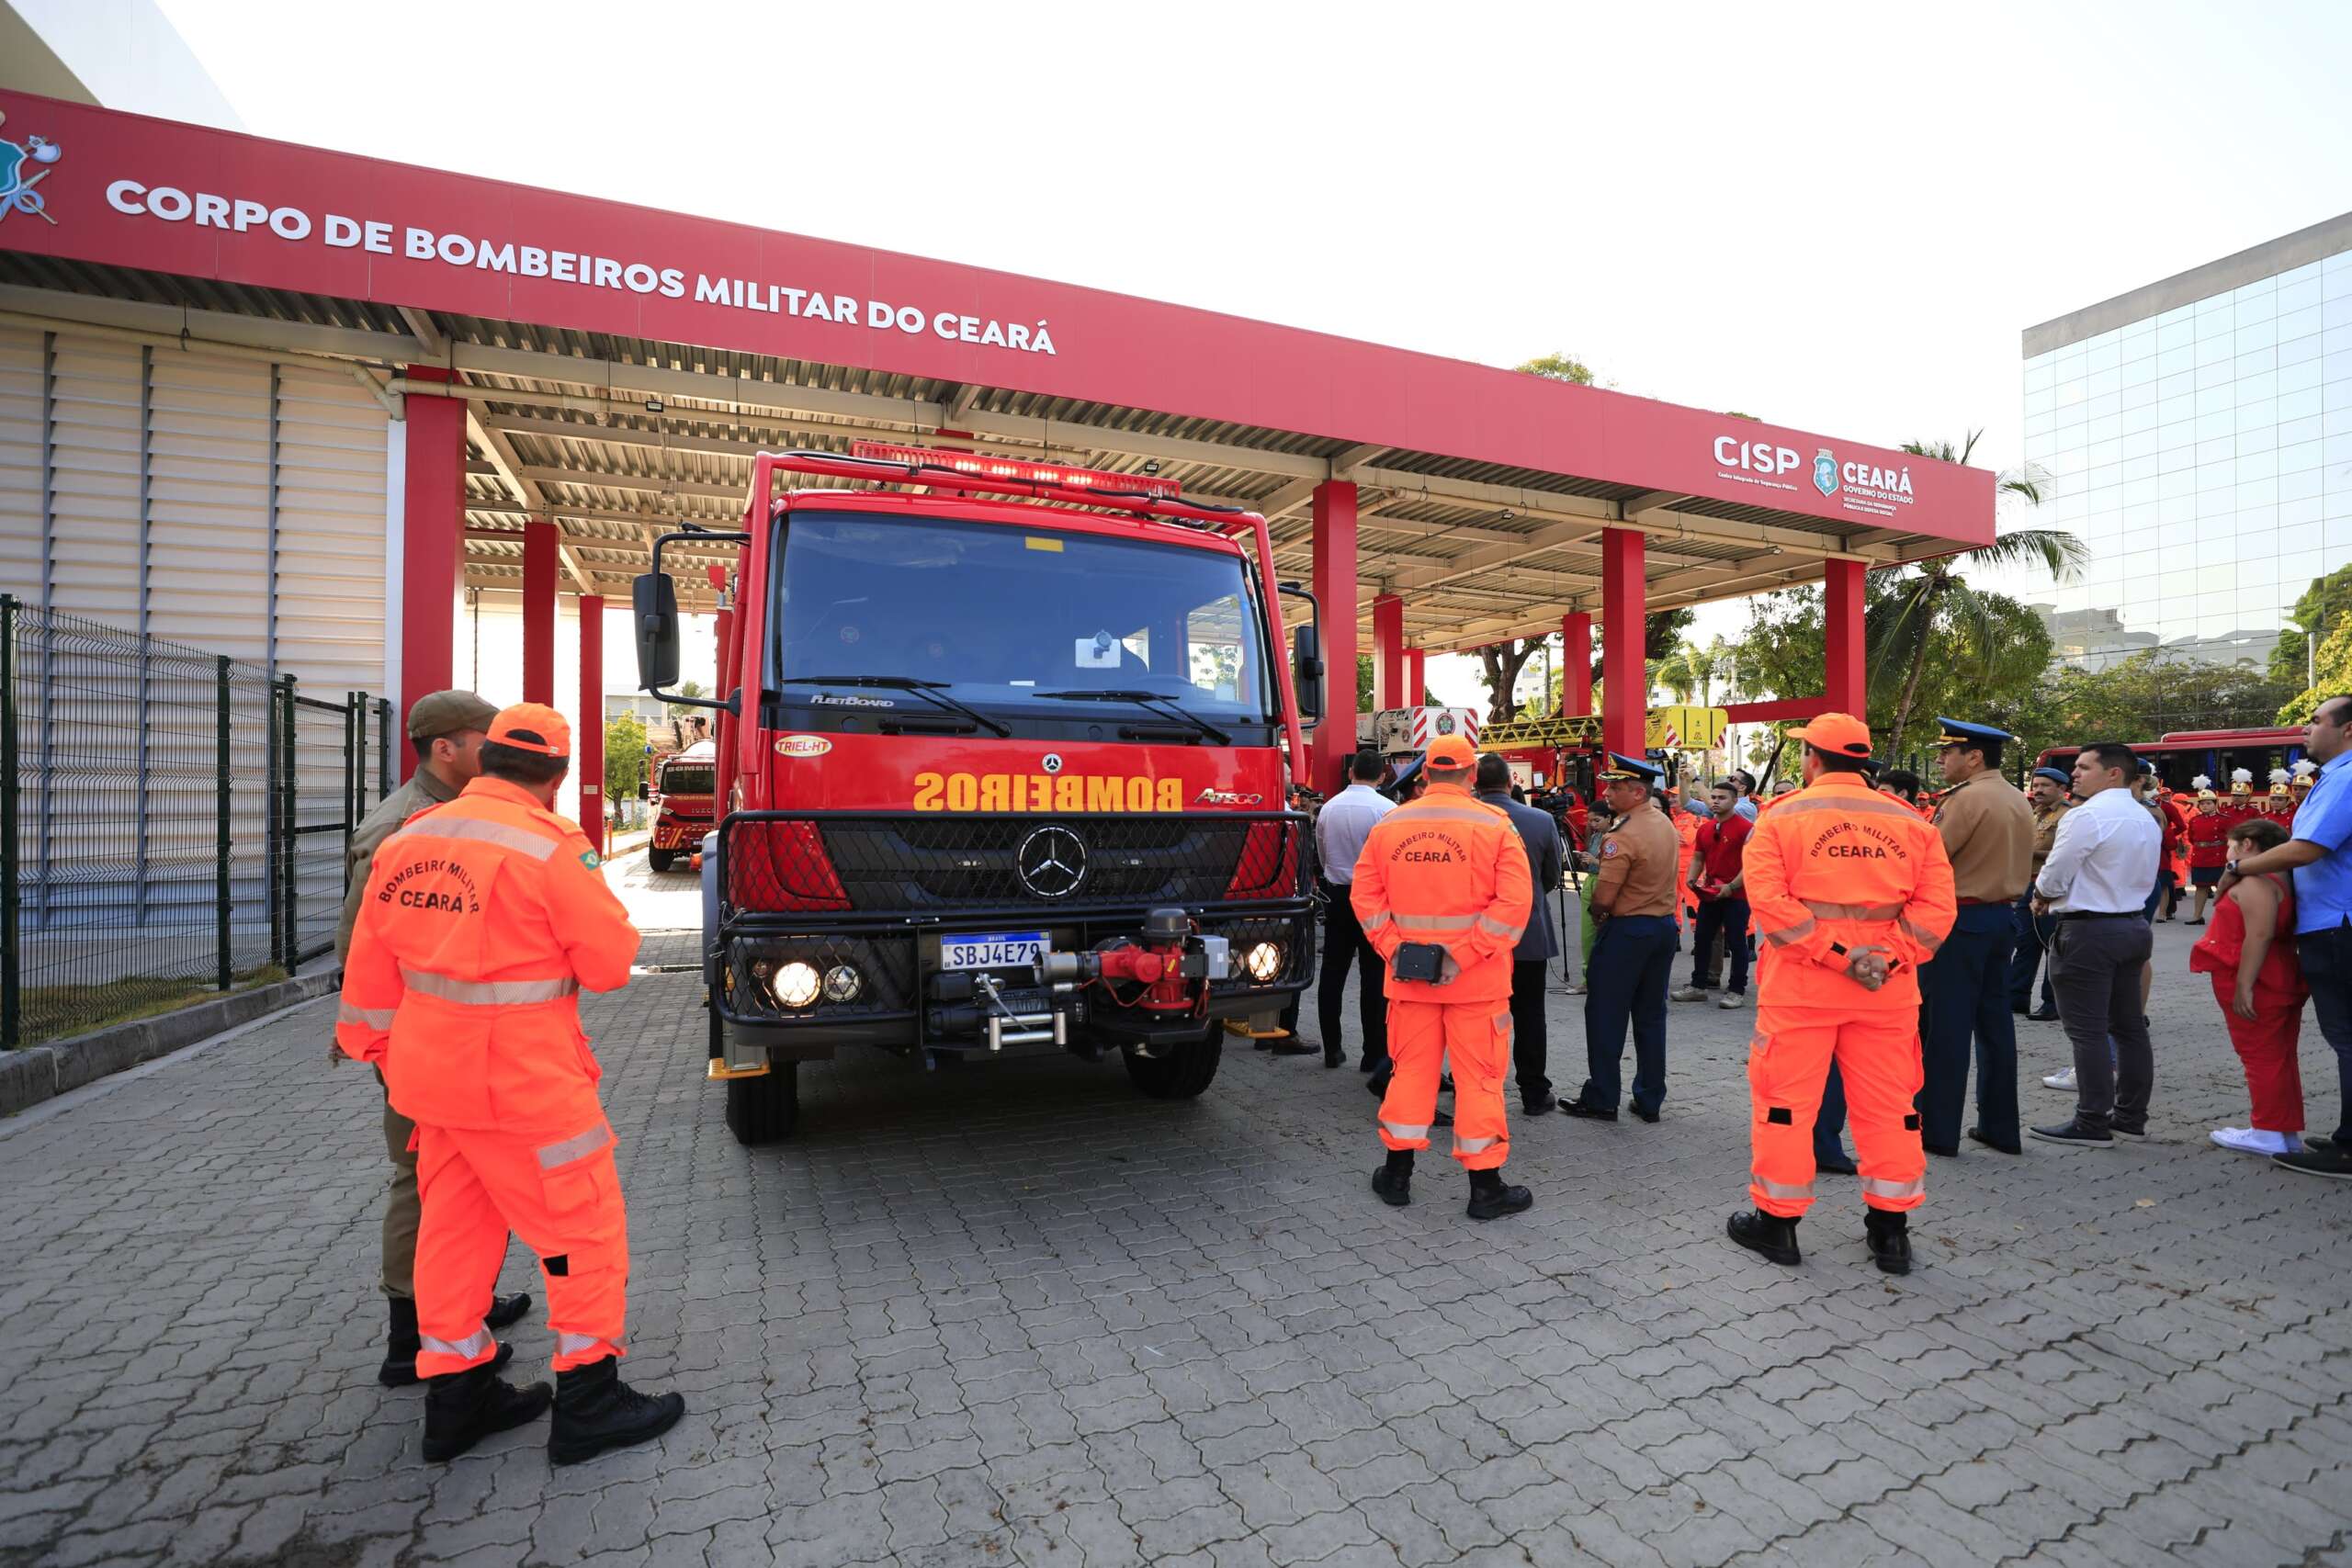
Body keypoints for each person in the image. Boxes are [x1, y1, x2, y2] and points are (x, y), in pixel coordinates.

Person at [337, 703, 684, 1463]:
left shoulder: (410, 838)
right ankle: (589, 1396)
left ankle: (456, 1397)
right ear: (556, 776)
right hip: (526, 1086)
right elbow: (607, 964)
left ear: (485, 760)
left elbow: (366, 973)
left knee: (454, 1236)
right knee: (580, 1233)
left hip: (430, 1081)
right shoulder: (550, 844)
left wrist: (377, 1050)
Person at [332, 689, 533, 1388]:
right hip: (417, 1045)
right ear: (446, 748)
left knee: (468, 1179)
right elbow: (360, 944)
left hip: (458, 1042)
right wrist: (379, 1047)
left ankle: (459, 1306)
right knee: (422, 1178)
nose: (497, 751)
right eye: (487, 739)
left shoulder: (461, 814)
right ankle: (408, 1335)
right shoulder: (403, 826)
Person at [1724, 713, 1956, 1276]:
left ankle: (1778, 1227)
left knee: (1785, 1107)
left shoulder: (1780, 819)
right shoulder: (1912, 821)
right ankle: (1890, 1234)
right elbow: (1937, 911)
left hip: (1801, 991)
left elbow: (1772, 906)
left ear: (1812, 759)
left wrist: (1836, 955)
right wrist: (1887, 957)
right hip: (1887, 992)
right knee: (1891, 1111)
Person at [1351, 733, 1534, 1218]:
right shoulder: (1496, 825)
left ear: (1425, 774)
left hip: (1410, 981)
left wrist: (1395, 949)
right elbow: (1515, 905)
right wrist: (1465, 956)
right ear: (1473, 775)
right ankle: (1486, 1189)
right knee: (1480, 1081)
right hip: (1478, 985)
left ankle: (1396, 1176)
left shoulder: (1391, 825)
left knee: (1410, 1075)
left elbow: (1365, 898)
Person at [2220, 694, 2352, 1179]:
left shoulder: (2345, 778)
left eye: (2316, 722)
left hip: (2339, 924)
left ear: (2347, 730)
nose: (2306, 730)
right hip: (2335, 922)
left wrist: (2240, 867)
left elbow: (2307, 848)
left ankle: (2349, 1148)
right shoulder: (2336, 777)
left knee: (2347, 1038)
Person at [2030, 741, 2163, 1148]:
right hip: (2132, 925)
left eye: (2085, 767)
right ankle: (2130, 1117)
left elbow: (2055, 873)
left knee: (2087, 1031)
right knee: (2129, 1027)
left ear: (2113, 774)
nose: (2075, 774)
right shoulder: (2144, 817)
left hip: (2089, 931)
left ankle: (2091, 1121)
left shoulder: (2087, 816)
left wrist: (2041, 895)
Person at [1917, 719, 2036, 1157]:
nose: (1940, 760)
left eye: (1947, 752)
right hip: (2000, 920)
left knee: (1945, 1030)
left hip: (1959, 922)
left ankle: (1936, 1129)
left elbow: (1930, 861)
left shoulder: (1966, 800)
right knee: (1995, 1027)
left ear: (1975, 757)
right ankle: (2000, 1127)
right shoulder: (2015, 797)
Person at [1564, 755, 1681, 1123]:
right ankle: (1649, 1098)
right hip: (1662, 928)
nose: (1608, 792)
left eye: (1616, 787)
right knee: (1650, 1016)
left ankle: (1602, 1097)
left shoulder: (1622, 835)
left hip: (1627, 930)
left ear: (1638, 791)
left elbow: (1603, 898)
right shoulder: (1662, 822)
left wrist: (1599, 917)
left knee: (1605, 1015)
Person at [2191, 818, 2308, 1156]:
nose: (2228, 852)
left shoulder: (2257, 880)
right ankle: (2281, 1129)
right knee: (2278, 1055)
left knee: (2260, 1056)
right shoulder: (2277, 877)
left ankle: (2267, 1131)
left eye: (2231, 845)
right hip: (2276, 974)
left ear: (2247, 846)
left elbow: (2260, 934)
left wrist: (2245, 984)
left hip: (2257, 976)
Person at [1475, 753, 1566, 1114]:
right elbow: (1551, 878)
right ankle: (1533, 1091)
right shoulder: (1542, 820)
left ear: (1475, 784)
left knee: (1479, 1016)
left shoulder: (1465, 819)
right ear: (1511, 783)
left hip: (1478, 938)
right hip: (1527, 933)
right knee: (1530, 1013)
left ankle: (1481, 1085)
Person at [1311, 750, 1396, 1071]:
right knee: (1374, 976)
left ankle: (1332, 1047)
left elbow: (1322, 853)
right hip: (1374, 898)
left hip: (1337, 896)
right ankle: (1373, 1052)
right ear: (1383, 776)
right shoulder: (1387, 810)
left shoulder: (1329, 808)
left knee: (1332, 972)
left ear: (1351, 773)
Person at [1674, 783, 1752, 1010]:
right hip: (1710, 894)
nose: (1716, 801)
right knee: (1702, 939)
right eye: (1714, 797)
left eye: (1722, 798)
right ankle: (1698, 986)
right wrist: (1692, 877)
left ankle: (1736, 990)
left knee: (1737, 943)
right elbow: (1698, 857)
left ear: (1735, 801)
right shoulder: (1706, 829)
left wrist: (1731, 886)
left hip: (1737, 896)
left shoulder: (1745, 828)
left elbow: (1751, 863)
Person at [2009, 767, 2072, 1019]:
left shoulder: (2068, 815)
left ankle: (2052, 1003)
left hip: (2051, 887)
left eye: (2045, 785)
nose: (2038, 790)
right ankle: (2016, 997)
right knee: (2025, 943)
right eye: (2036, 785)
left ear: (2061, 788)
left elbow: (2066, 853)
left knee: (2051, 945)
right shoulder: (2035, 814)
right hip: (2028, 885)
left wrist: (2030, 853)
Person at [2184, 783, 2230, 925]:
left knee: (2221, 889)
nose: (2205, 806)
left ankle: (2224, 919)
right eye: (2202, 803)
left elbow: (2229, 838)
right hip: (2200, 857)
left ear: (2215, 804)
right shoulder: (2195, 820)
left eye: (2208, 803)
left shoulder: (2224, 819)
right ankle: (2197, 916)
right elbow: (2192, 838)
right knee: (2200, 887)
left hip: (2218, 857)